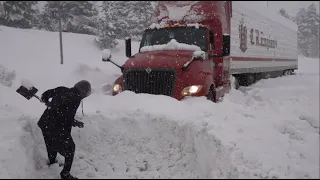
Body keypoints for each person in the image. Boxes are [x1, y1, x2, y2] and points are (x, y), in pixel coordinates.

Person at [37, 80, 92, 179]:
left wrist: (47, 102)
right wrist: (71, 125)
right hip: (57, 126)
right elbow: (66, 117)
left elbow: (45, 95)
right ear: (84, 93)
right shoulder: (76, 99)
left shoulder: (62, 89)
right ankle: (65, 174)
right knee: (70, 148)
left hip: (45, 122)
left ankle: (52, 162)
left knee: (50, 143)